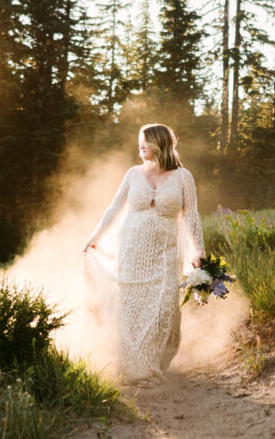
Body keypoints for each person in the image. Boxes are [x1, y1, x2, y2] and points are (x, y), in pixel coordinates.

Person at [83, 123, 205, 387]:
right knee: (129, 309)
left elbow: (191, 216)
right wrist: (94, 238)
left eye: (145, 142)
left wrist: (199, 252)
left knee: (162, 308)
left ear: (159, 143)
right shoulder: (133, 174)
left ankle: (150, 366)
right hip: (131, 250)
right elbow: (114, 208)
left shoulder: (183, 177)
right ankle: (135, 369)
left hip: (166, 252)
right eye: (139, 141)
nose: (140, 146)